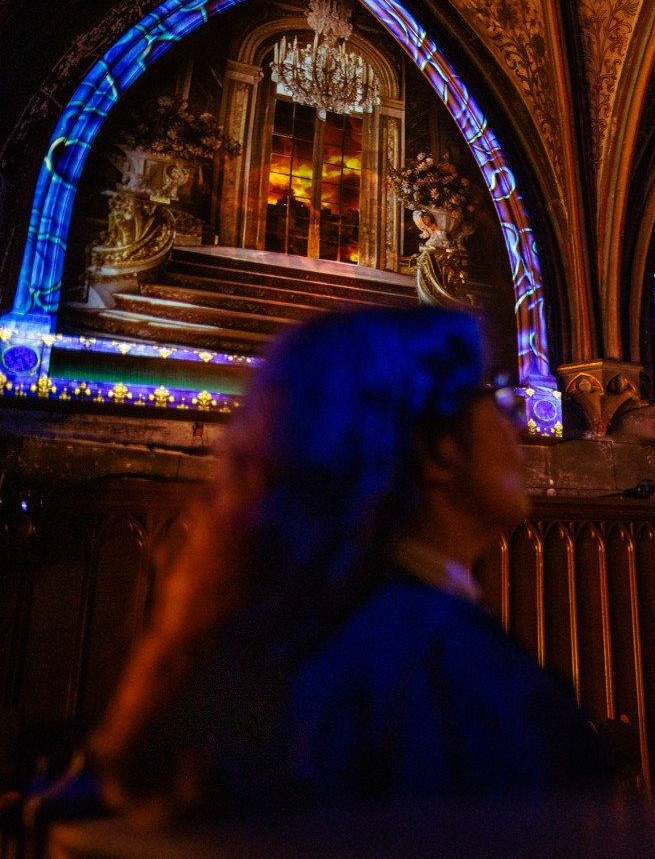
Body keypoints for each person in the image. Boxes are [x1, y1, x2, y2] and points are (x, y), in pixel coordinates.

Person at [89, 307, 611, 818]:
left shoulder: (237, 646)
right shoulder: (456, 672)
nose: (516, 424)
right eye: (495, 398)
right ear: (438, 446)